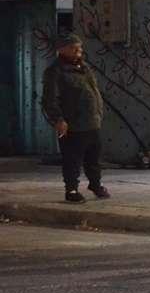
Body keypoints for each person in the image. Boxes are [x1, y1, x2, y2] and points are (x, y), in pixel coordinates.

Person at [41, 34, 108, 203]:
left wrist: (98, 113)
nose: (78, 51)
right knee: (72, 159)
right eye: (73, 48)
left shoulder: (84, 68)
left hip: (92, 121)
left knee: (93, 157)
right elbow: (50, 99)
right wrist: (58, 119)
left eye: (79, 47)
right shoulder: (55, 72)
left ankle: (95, 184)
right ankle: (71, 190)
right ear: (61, 50)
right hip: (72, 124)